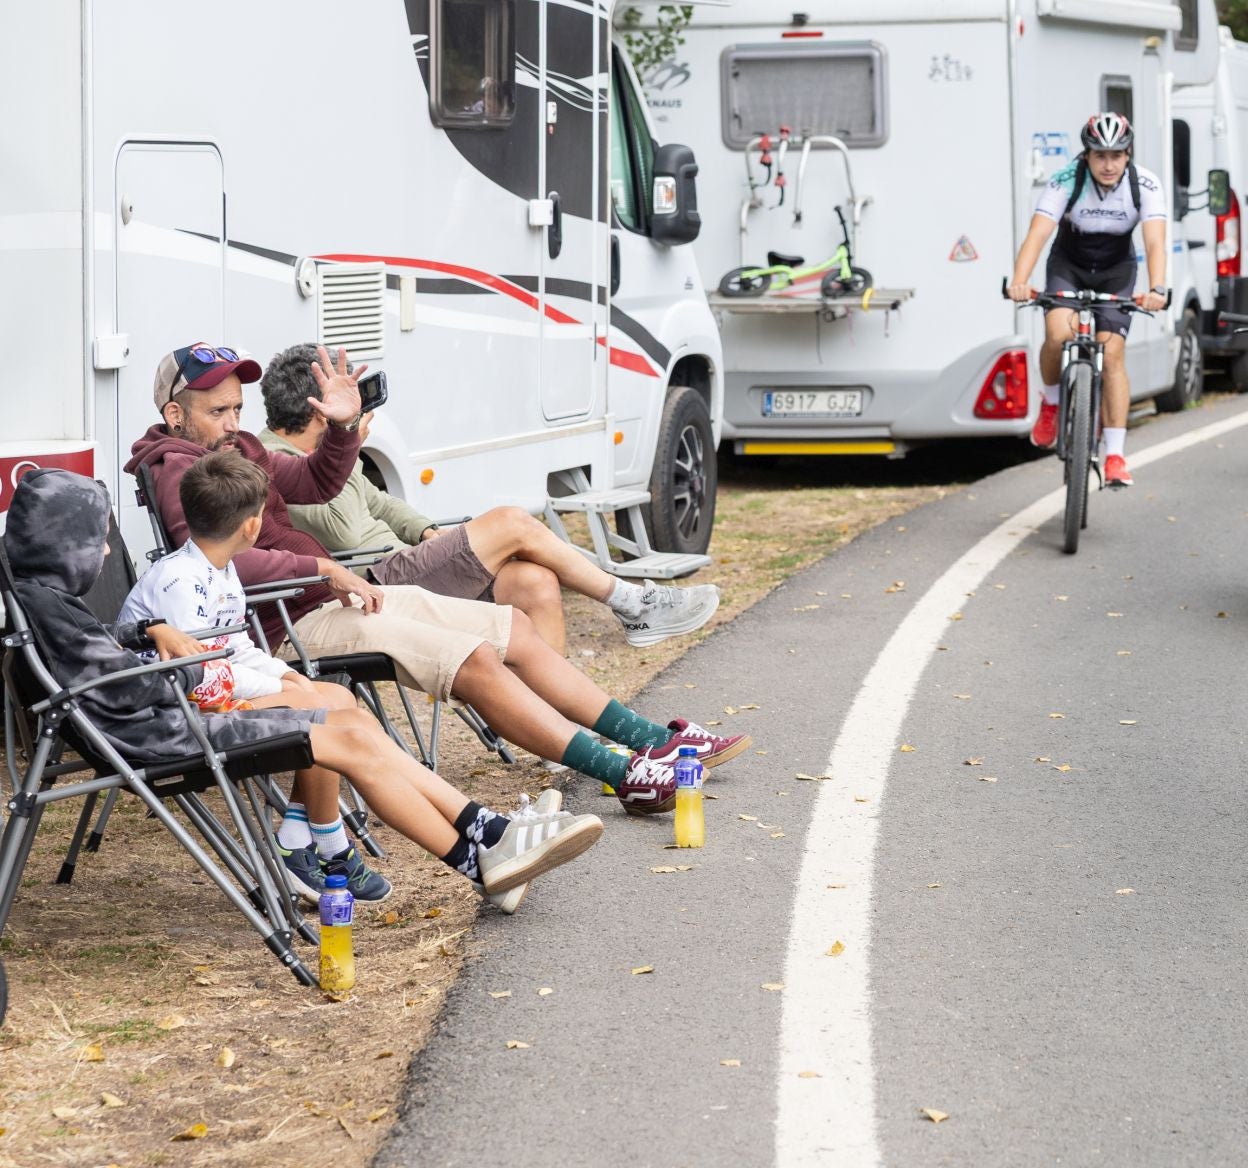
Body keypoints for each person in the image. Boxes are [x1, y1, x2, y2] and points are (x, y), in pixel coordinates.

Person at [125, 344, 750, 818]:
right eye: (217, 411)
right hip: (287, 622)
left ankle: (648, 741)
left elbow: (317, 483)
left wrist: (343, 428)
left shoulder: (242, 453)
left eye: (237, 407)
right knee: (472, 659)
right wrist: (319, 565)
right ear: (175, 413)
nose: (233, 422)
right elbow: (203, 559)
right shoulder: (177, 468)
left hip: (337, 594)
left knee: (512, 630)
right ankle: (618, 769)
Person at [5, 468, 604, 905]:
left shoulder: (42, 599)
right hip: (171, 725)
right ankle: (480, 849)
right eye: (98, 539)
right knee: (344, 731)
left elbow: (109, 655)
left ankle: (486, 837)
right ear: (66, 545)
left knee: (348, 722)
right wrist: (184, 663)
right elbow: (120, 686)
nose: (110, 548)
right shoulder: (51, 609)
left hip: (171, 708)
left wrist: (147, 627)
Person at [255, 343, 717, 653]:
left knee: (535, 582)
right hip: (368, 581)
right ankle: (632, 602)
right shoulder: (270, 459)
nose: (353, 402)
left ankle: (553, 725)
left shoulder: (326, 449)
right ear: (316, 408)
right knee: (511, 521)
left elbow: (378, 503)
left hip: (404, 561)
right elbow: (344, 529)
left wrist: (427, 531)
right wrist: (347, 439)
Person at [119, 450, 393, 901]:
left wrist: (287, 677)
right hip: (178, 709)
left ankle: (298, 840)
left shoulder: (218, 569)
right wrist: (279, 687)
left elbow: (237, 645)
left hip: (210, 694)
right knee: (322, 710)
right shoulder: (180, 583)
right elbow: (203, 675)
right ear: (251, 527)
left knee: (336, 700)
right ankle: (331, 843)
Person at [1008, 112, 1170, 489]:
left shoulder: (1144, 184)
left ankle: (1115, 454)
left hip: (1116, 269)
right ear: (1087, 156)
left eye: (1116, 155)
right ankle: (1050, 404)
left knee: (1111, 353)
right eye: (1100, 156)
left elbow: (1155, 241)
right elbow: (1037, 235)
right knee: (1057, 333)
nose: (1109, 164)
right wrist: (1019, 281)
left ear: (1128, 154)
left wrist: (1157, 288)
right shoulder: (1067, 179)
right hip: (1069, 263)